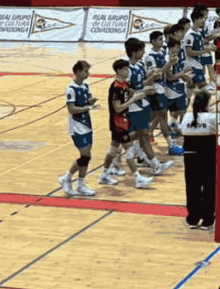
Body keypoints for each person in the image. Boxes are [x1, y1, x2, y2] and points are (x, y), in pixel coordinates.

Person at [98, 59, 153, 189]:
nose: (127, 72)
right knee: (129, 149)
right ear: (118, 71)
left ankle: (104, 174)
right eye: (125, 70)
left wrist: (145, 91)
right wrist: (133, 99)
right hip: (117, 123)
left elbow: (134, 93)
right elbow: (118, 108)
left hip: (124, 121)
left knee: (113, 150)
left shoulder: (126, 84)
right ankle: (138, 178)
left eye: (128, 69)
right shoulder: (116, 88)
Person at [126, 37, 174, 178]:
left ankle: (142, 158)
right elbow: (126, 90)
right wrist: (144, 91)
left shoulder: (139, 65)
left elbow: (142, 83)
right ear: (134, 52)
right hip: (135, 107)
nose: (143, 52)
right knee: (142, 135)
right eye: (141, 50)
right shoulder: (127, 69)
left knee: (142, 135)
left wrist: (151, 79)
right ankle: (155, 165)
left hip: (144, 104)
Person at [58, 60, 101, 197]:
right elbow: (71, 109)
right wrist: (88, 107)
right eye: (85, 71)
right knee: (85, 155)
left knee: (87, 156)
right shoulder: (71, 89)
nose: (88, 74)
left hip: (86, 123)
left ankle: (81, 184)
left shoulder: (86, 85)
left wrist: (91, 102)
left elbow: (84, 102)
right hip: (76, 126)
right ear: (77, 72)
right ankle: (67, 177)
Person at [182, 90, 217, 230]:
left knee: (192, 187)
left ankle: (193, 218)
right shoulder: (212, 118)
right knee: (208, 187)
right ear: (207, 103)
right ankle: (207, 219)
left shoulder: (187, 116)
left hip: (190, 157)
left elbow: (183, 130)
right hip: (207, 156)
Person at [144, 28, 182, 156]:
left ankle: (141, 137)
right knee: (162, 117)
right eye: (160, 39)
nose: (162, 41)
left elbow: (164, 72)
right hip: (155, 90)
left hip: (161, 89)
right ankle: (171, 146)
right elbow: (157, 74)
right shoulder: (149, 56)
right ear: (153, 41)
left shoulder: (161, 52)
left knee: (154, 117)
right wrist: (170, 63)